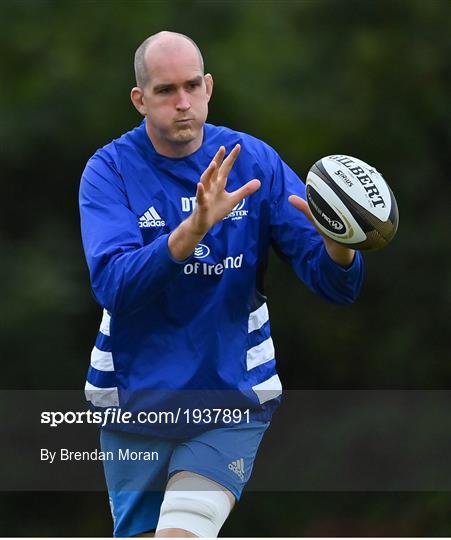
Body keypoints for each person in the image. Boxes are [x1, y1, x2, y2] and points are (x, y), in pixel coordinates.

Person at [79, 31, 364, 538]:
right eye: (165, 91)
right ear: (139, 100)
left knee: (182, 533)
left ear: (209, 86)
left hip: (231, 397)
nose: (182, 103)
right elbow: (114, 286)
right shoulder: (109, 171)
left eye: (192, 85)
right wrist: (192, 230)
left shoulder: (253, 162)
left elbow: (335, 284)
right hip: (134, 400)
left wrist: (341, 243)